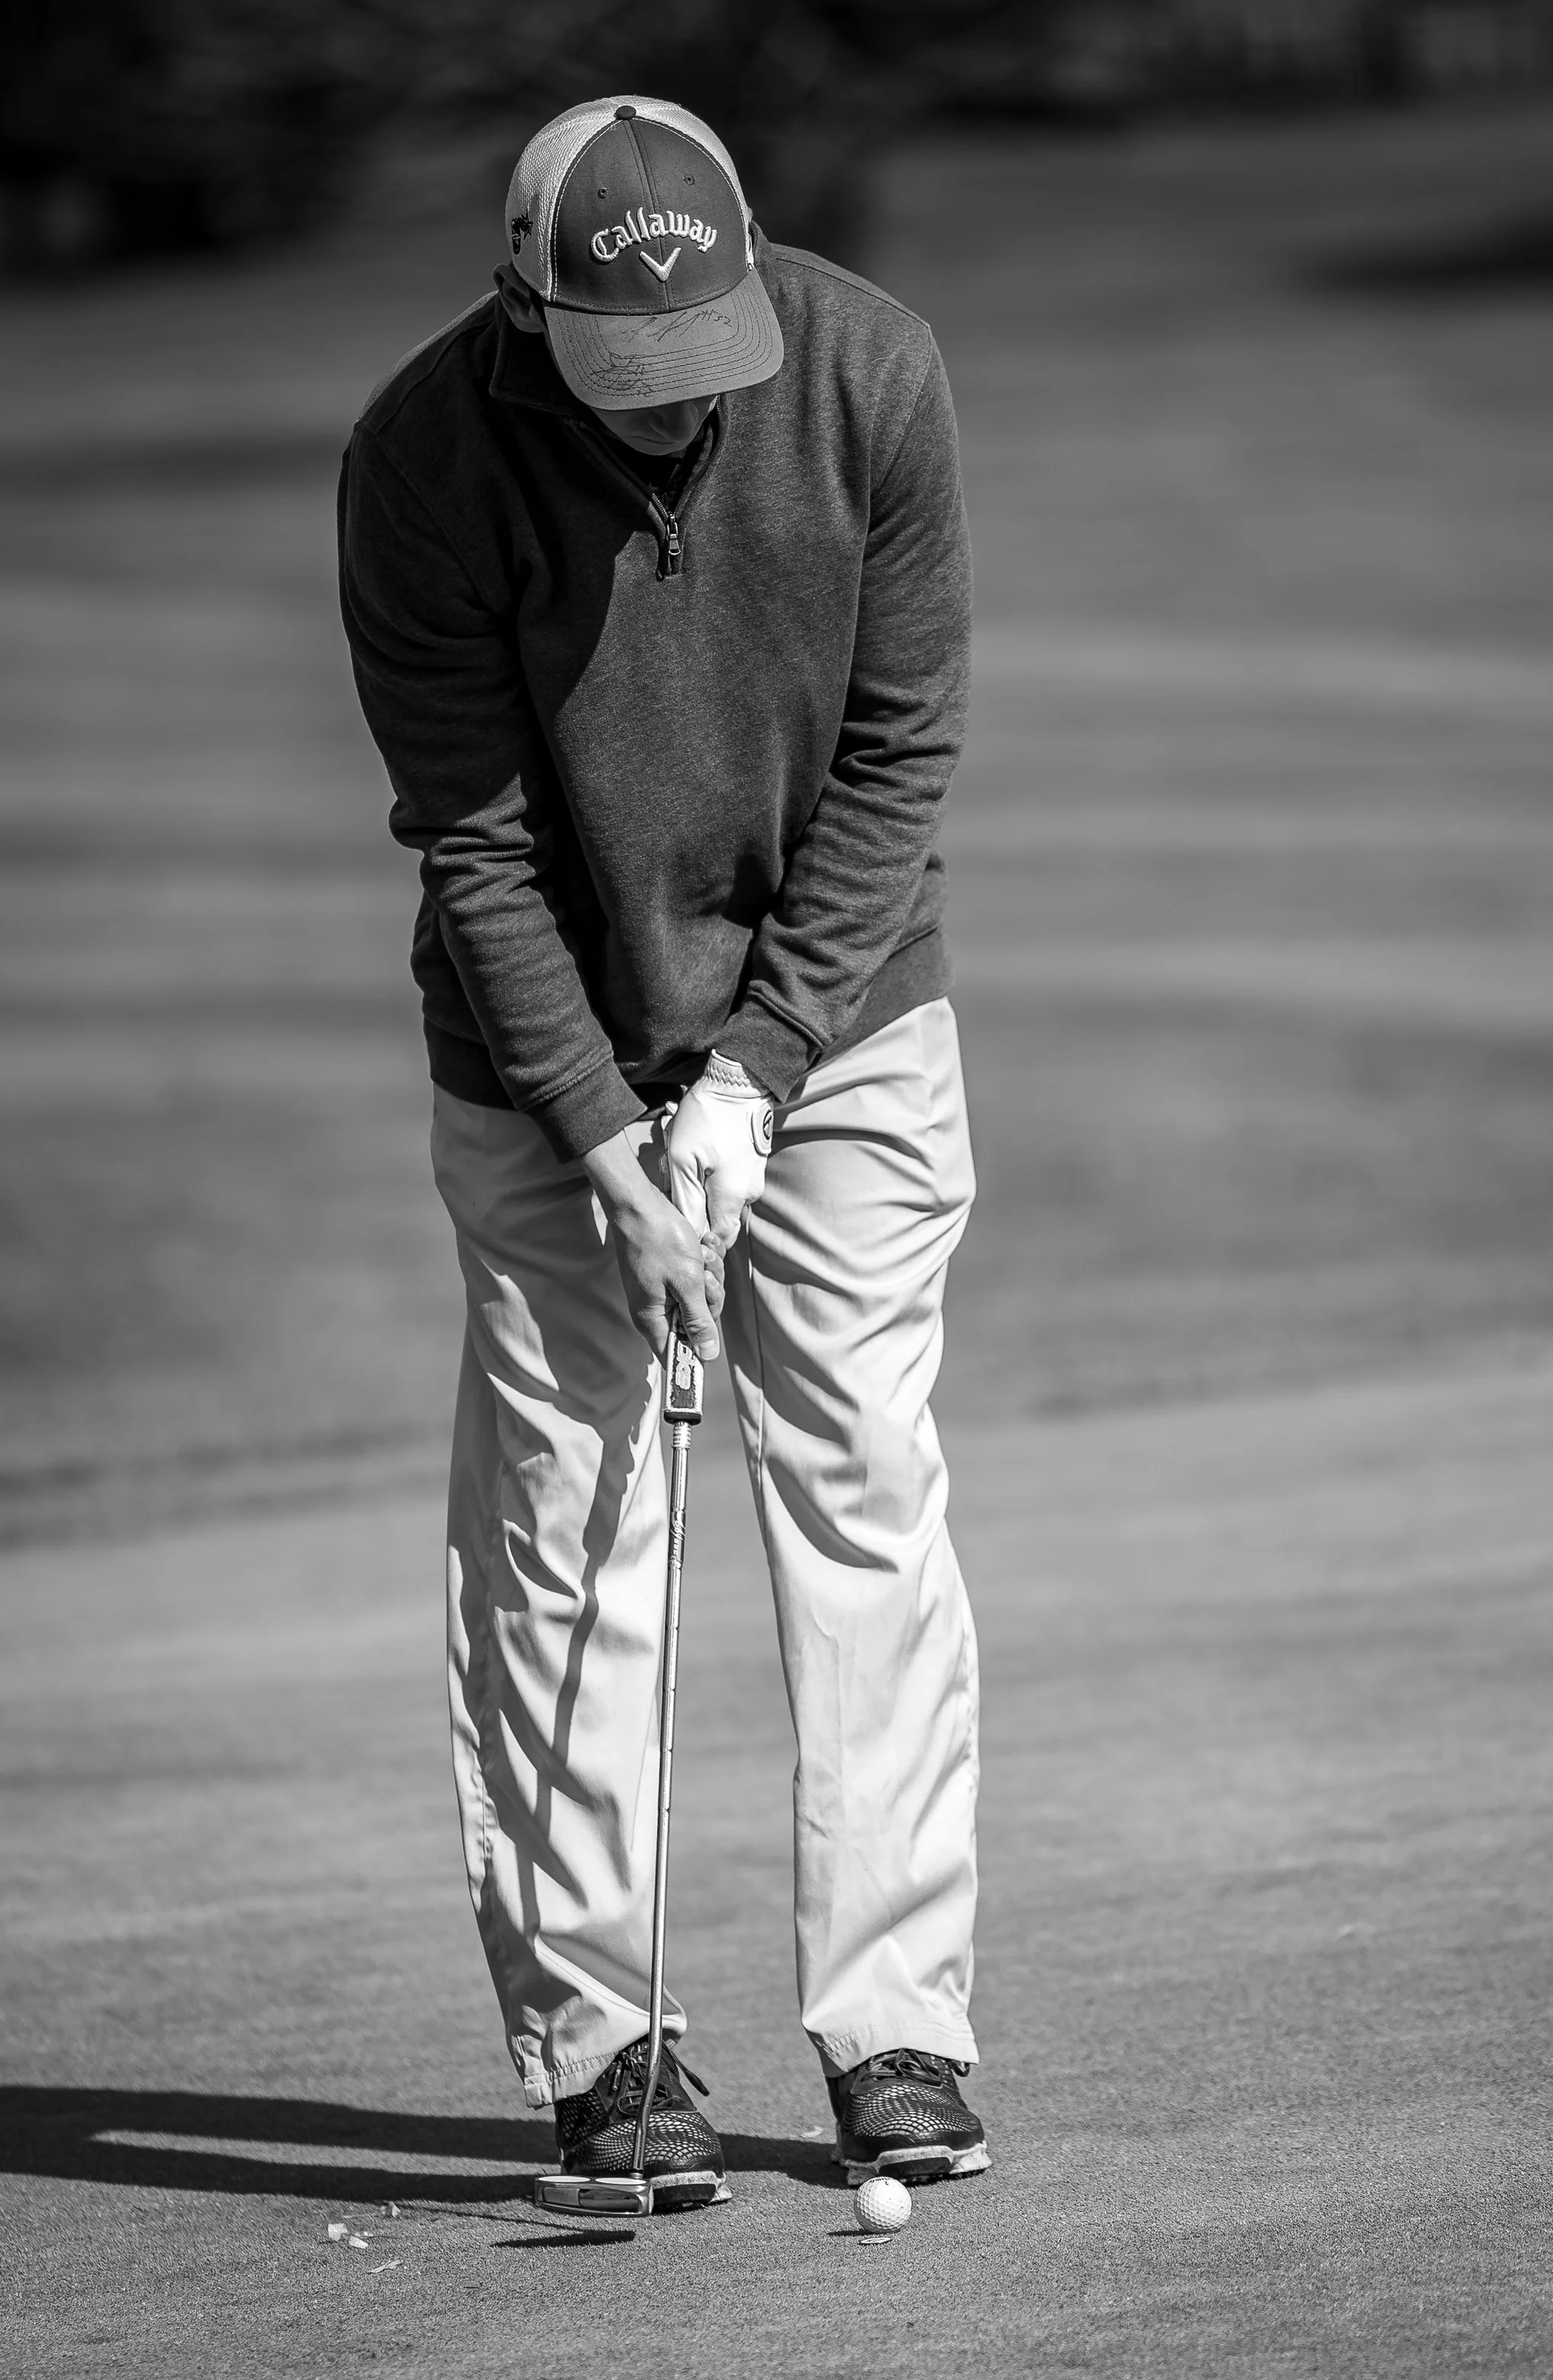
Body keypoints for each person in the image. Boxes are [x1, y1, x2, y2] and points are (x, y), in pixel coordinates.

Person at [337, 95, 986, 2210]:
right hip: (538, 1057)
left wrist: (754, 1076)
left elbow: (898, 762)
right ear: (522, 307)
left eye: (695, 365)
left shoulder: (869, 372)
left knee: (863, 1490)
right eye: (618, 381)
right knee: (566, 1520)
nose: (663, 422)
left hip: (848, 1018)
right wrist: (616, 1135)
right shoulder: (422, 459)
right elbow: (478, 843)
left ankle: (895, 2027)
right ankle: (605, 2043)